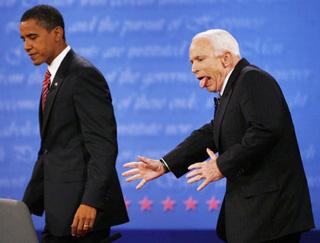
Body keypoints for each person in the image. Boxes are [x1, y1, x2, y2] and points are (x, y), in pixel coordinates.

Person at [122, 29, 314, 243]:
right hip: (255, 215)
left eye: (200, 59)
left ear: (225, 58)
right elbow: (212, 133)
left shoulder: (252, 79)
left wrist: (221, 165)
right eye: (191, 62)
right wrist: (165, 164)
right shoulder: (233, 87)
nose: (194, 68)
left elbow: (265, 130)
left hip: (271, 215)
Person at [20, 5, 129, 242]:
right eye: (23, 39)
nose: (26, 46)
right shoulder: (54, 78)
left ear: (57, 33)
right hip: (60, 211)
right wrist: (25, 207)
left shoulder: (82, 75)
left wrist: (91, 202)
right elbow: (50, 149)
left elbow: (103, 147)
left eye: (32, 37)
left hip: (82, 215)